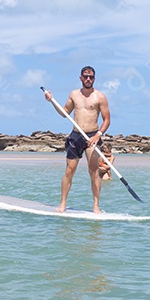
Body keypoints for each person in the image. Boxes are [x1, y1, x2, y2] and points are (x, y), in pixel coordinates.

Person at [44, 65, 111, 213]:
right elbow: (64, 113)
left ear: (94, 78)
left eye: (91, 77)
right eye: (86, 76)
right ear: (81, 78)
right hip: (76, 136)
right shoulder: (74, 94)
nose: (88, 79)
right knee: (69, 171)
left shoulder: (100, 96)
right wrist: (51, 101)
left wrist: (98, 135)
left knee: (93, 171)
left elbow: (107, 120)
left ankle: (96, 206)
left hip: (92, 136)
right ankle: (62, 203)